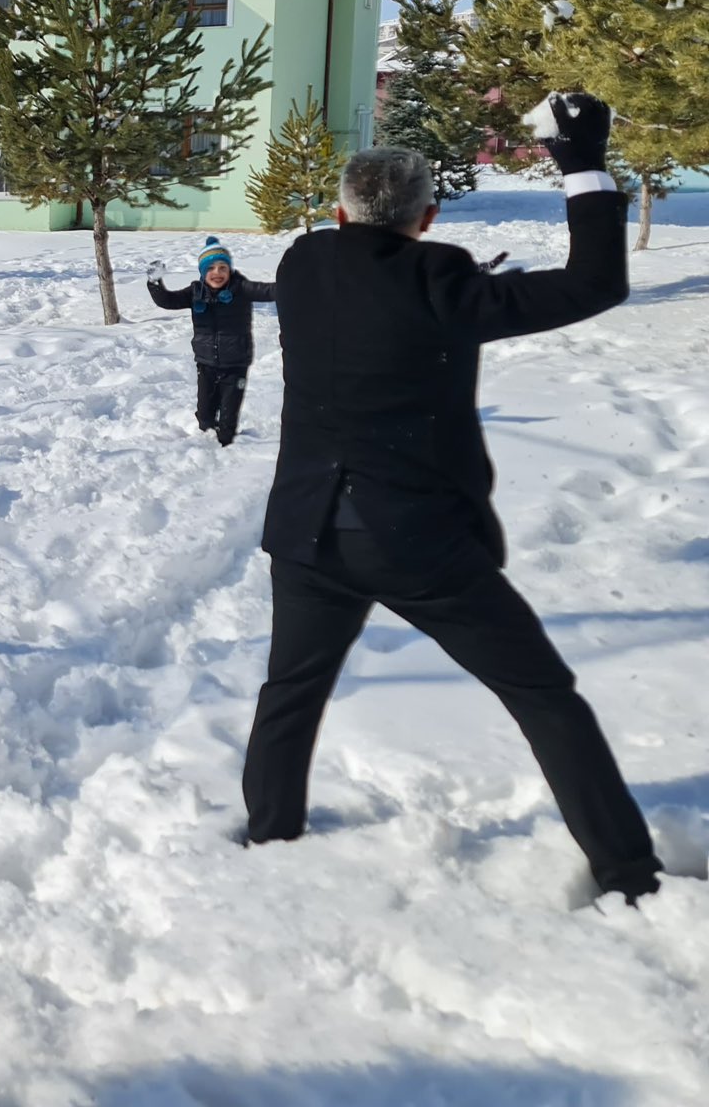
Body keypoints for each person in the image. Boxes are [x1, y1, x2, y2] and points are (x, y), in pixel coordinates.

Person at [243, 92, 662, 902]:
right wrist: (582, 166)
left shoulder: (303, 264)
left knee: (289, 693)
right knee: (543, 695)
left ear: (339, 212)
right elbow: (594, 284)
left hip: (306, 532)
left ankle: (269, 837)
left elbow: (366, 279)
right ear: (428, 218)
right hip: (416, 542)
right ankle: (628, 874)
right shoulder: (442, 280)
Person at [146, 237, 277, 446]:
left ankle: (228, 450)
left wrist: (296, 281)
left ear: (230, 270)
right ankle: (207, 442)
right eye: (211, 268)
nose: (217, 272)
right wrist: (155, 282)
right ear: (202, 271)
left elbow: (270, 291)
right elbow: (167, 301)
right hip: (206, 364)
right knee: (205, 417)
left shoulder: (241, 288)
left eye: (223, 267)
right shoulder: (195, 292)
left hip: (236, 365)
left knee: (228, 420)